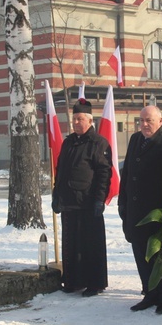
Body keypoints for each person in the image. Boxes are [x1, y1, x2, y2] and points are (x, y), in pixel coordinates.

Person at [119, 106, 162, 314]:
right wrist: (123, 203)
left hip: (161, 211)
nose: (144, 125)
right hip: (136, 209)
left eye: (148, 120)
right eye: (141, 120)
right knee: (141, 252)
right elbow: (128, 173)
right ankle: (150, 292)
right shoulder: (135, 139)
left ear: (161, 120)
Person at [52, 98, 112, 297]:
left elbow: (104, 173)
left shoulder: (99, 143)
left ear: (89, 120)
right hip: (69, 202)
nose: (75, 123)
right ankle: (72, 280)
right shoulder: (69, 142)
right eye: (73, 119)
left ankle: (94, 283)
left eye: (79, 119)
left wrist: (99, 199)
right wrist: (56, 194)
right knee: (71, 244)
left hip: (88, 203)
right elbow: (60, 170)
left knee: (89, 245)